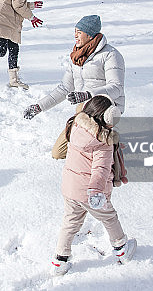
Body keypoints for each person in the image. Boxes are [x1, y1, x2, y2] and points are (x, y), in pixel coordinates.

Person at [51, 95, 136, 275]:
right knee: (109, 217)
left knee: (70, 222)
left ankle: (60, 261)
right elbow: (100, 170)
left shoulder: (76, 125)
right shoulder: (102, 142)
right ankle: (121, 248)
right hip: (90, 192)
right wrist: (96, 191)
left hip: (70, 187)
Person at [23, 15, 125, 157]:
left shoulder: (111, 55)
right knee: (58, 153)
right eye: (75, 31)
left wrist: (88, 94)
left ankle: (109, 154)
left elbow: (116, 88)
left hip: (103, 111)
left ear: (89, 35)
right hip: (83, 111)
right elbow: (64, 88)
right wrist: (39, 106)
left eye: (79, 32)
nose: (75, 35)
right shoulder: (76, 57)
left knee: (92, 156)